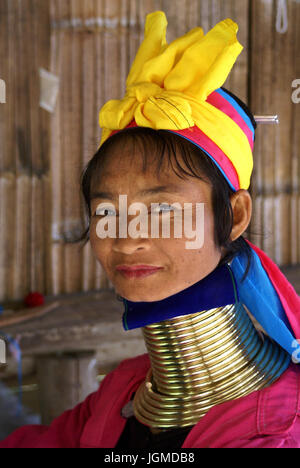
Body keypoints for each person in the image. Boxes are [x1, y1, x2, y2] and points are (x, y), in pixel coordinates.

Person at [1, 11, 300, 449]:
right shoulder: (122, 392)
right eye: (106, 213)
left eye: (161, 208)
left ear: (233, 216)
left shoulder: (276, 433)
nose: (126, 239)